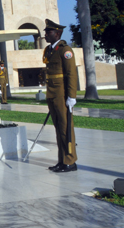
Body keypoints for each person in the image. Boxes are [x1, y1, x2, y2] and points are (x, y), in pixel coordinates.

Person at [43, 19, 78, 173]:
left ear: (57, 33)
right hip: (52, 94)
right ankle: (62, 160)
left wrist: (71, 96)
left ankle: (70, 161)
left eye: (48, 32)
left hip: (63, 95)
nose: (45, 34)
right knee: (58, 129)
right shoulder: (50, 50)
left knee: (66, 128)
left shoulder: (65, 50)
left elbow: (71, 74)